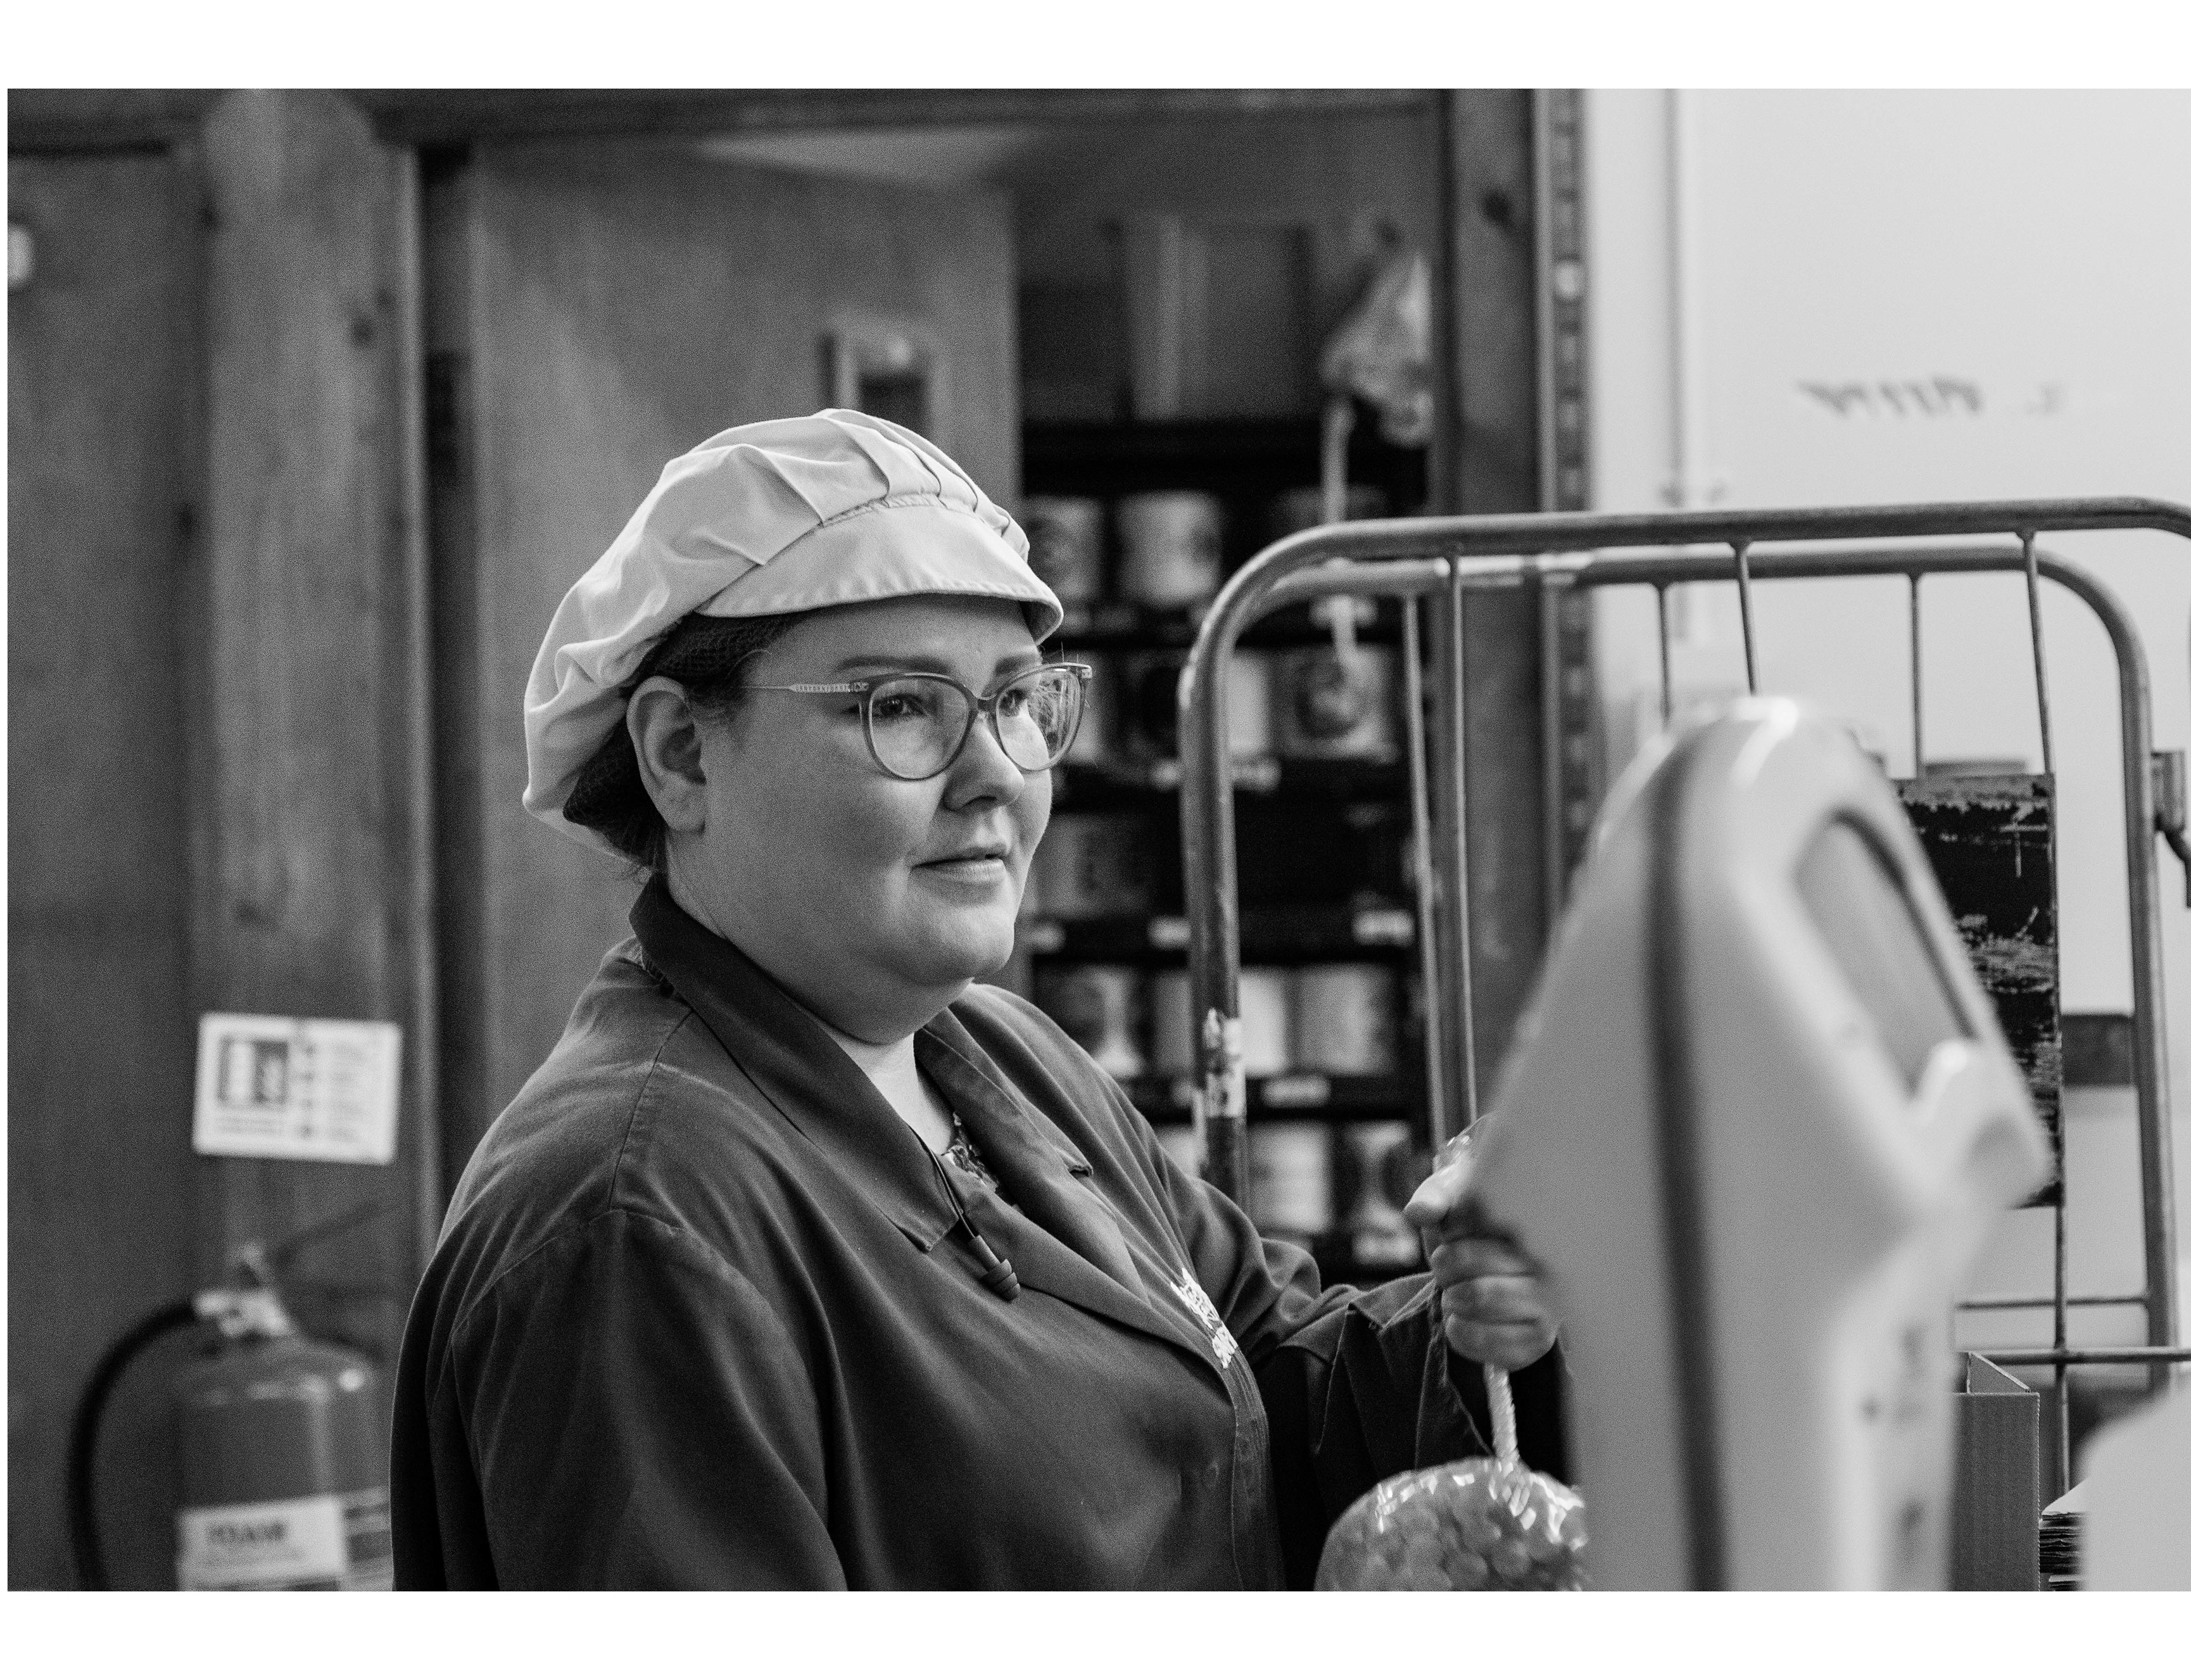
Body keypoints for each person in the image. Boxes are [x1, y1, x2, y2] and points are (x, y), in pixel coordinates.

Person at [389, 410, 1568, 1589]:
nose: (996, 772)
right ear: (681, 755)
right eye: (901, 705)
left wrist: (1489, 1310)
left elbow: (1267, 1393)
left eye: (1014, 701)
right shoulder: (638, 1223)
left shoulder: (1004, 1058)